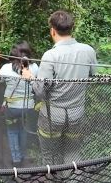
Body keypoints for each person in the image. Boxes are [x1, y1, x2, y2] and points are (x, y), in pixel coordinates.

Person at [32, 10, 97, 165]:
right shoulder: (88, 50)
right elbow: (93, 75)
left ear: (52, 31)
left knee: (49, 155)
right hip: (76, 113)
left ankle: (52, 177)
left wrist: (32, 80)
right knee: (72, 152)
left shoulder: (50, 56)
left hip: (52, 114)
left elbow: (40, 90)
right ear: (71, 28)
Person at [0, 42, 39, 166]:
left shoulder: (6, 68)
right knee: (23, 129)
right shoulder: (34, 67)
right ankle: (22, 155)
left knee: (12, 131)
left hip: (11, 107)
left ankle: (16, 159)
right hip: (28, 107)